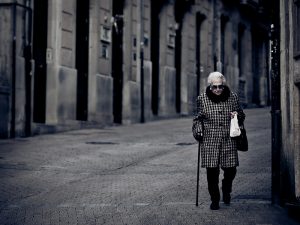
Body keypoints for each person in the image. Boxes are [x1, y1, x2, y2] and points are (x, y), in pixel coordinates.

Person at [192, 71, 245, 210]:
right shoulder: (202, 99)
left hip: (229, 138)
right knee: (212, 172)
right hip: (210, 140)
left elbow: (241, 114)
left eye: (220, 86)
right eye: (214, 87)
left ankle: (226, 188)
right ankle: (214, 199)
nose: (217, 89)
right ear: (210, 86)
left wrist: (237, 115)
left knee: (231, 170)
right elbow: (197, 118)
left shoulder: (232, 97)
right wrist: (198, 130)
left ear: (224, 86)